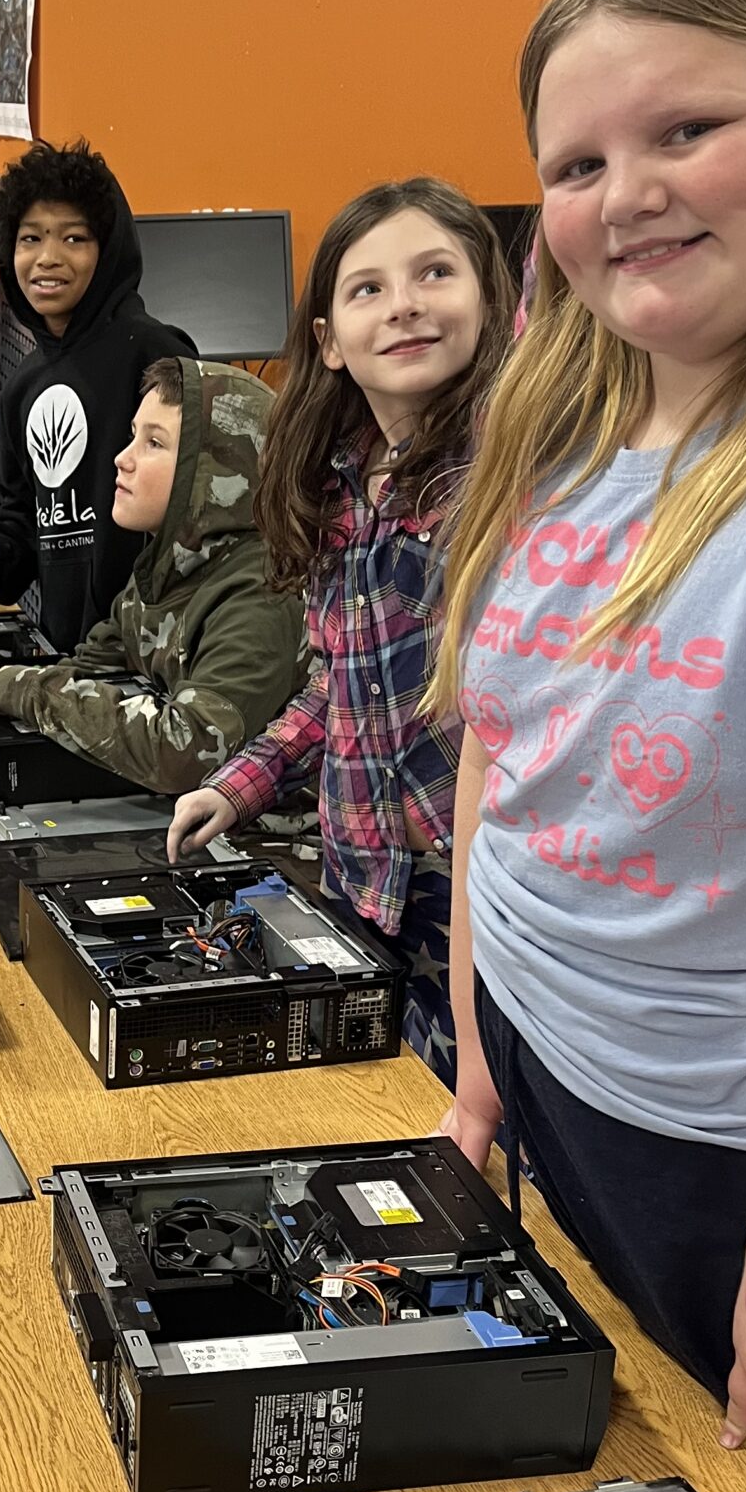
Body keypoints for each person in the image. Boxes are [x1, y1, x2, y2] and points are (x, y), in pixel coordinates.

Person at [427, 0, 746, 1492]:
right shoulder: (570, 411)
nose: (629, 192)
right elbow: (501, 759)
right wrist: (480, 1036)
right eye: (579, 159)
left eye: (690, 128)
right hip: (565, 1091)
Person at [168, 181, 516, 1078]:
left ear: (490, 296)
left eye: (434, 273)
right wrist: (239, 787)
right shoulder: (335, 486)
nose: (403, 304)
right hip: (363, 876)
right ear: (326, 339)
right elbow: (336, 684)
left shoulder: (517, 471)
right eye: (367, 288)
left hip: (480, 891)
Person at [0, 357, 302, 793]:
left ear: (216, 471)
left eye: (154, 443)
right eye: (133, 436)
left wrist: (17, 689)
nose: (123, 458)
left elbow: (187, 752)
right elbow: (88, 672)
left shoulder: (263, 593)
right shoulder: (171, 565)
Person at [0, 139, 194, 649]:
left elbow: (200, 512)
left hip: (154, 655)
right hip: (70, 656)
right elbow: (22, 514)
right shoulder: (24, 384)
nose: (48, 259)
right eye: (30, 239)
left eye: (74, 239)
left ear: (107, 251)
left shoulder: (155, 352)